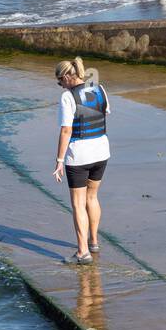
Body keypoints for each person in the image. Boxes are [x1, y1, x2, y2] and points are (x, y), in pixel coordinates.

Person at [53, 58, 109, 265]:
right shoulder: (99, 88)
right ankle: (94, 242)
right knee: (92, 198)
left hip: (79, 156)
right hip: (102, 151)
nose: (60, 85)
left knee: (78, 204)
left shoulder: (67, 97)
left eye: (60, 81)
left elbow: (66, 129)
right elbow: (104, 113)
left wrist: (59, 160)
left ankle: (82, 252)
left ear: (67, 76)